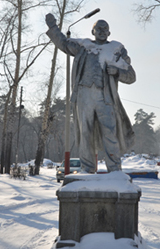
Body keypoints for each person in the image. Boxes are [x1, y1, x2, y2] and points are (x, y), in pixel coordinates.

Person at [45, 14, 136, 173]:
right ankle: (87, 170)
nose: (102, 31)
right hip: (84, 96)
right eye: (98, 28)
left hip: (105, 97)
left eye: (105, 29)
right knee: (85, 133)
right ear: (92, 31)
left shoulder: (116, 50)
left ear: (109, 33)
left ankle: (114, 170)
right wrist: (53, 28)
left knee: (110, 134)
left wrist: (117, 72)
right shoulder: (83, 46)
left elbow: (131, 76)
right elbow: (64, 43)